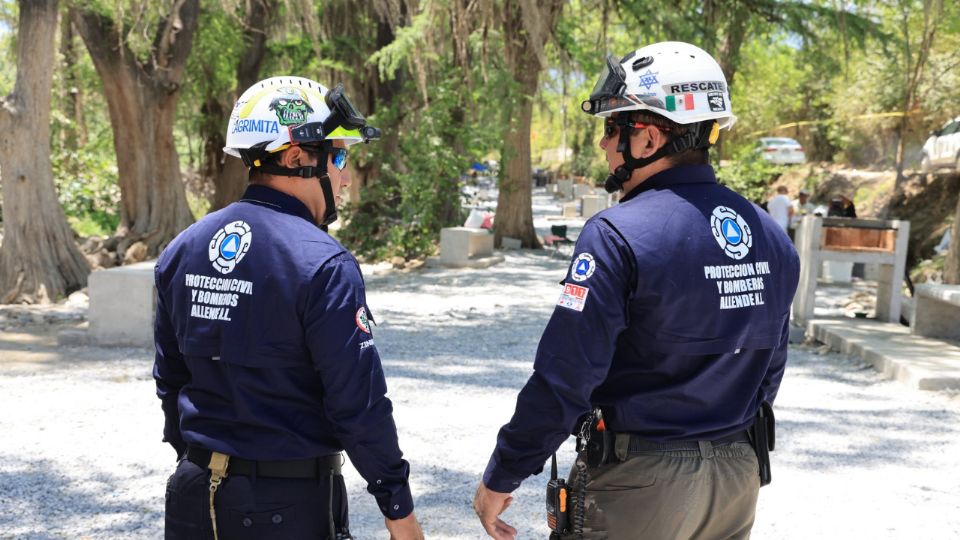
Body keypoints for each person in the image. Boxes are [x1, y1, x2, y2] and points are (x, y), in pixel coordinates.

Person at [473, 41, 800, 539]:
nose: (604, 144)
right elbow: (769, 367)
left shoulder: (615, 233)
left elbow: (567, 374)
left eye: (613, 128)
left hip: (640, 481)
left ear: (647, 140)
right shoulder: (771, 235)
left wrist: (505, 471)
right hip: (737, 478)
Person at [154, 76, 423, 540]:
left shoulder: (183, 248)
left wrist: (200, 458)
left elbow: (171, 379)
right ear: (296, 157)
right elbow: (356, 405)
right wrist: (398, 509)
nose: (345, 175)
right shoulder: (323, 262)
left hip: (192, 497)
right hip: (284, 507)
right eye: (338, 156)